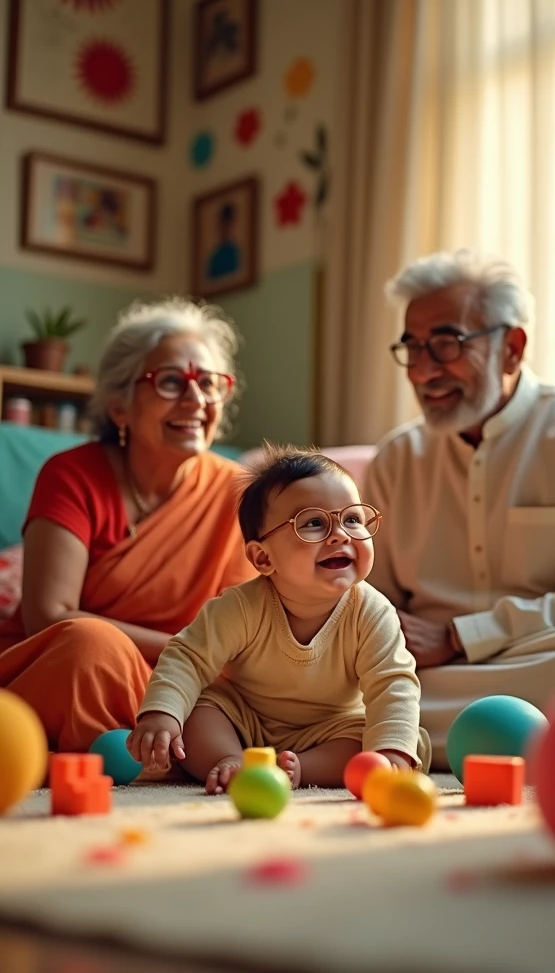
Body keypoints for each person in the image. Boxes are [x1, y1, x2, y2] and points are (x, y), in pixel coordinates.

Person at [364, 249, 555, 768]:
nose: (422, 372)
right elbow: (372, 605)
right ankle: (546, 739)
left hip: (549, 655)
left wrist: (463, 636)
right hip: (427, 676)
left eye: (445, 344)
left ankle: (391, 737)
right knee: (347, 677)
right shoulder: (396, 458)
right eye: (412, 348)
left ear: (512, 347)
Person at [0, 298, 255, 753]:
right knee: (92, 646)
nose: (196, 399)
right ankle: (152, 751)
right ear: (119, 406)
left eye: (210, 384)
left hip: (184, 683)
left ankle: (145, 749)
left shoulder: (239, 493)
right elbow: (49, 615)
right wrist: (186, 648)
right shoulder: (71, 474)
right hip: (71, 669)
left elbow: (244, 633)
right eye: (172, 381)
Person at [127, 445, 429, 792]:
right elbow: (188, 658)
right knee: (198, 711)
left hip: (331, 728)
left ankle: (301, 769)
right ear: (262, 558)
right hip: (243, 720)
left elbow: (393, 684)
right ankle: (230, 761)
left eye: (352, 519)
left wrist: (390, 752)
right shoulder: (240, 606)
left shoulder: (373, 613)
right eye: (313, 523)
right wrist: (161, 714)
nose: (340, 534)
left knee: (394, 737)